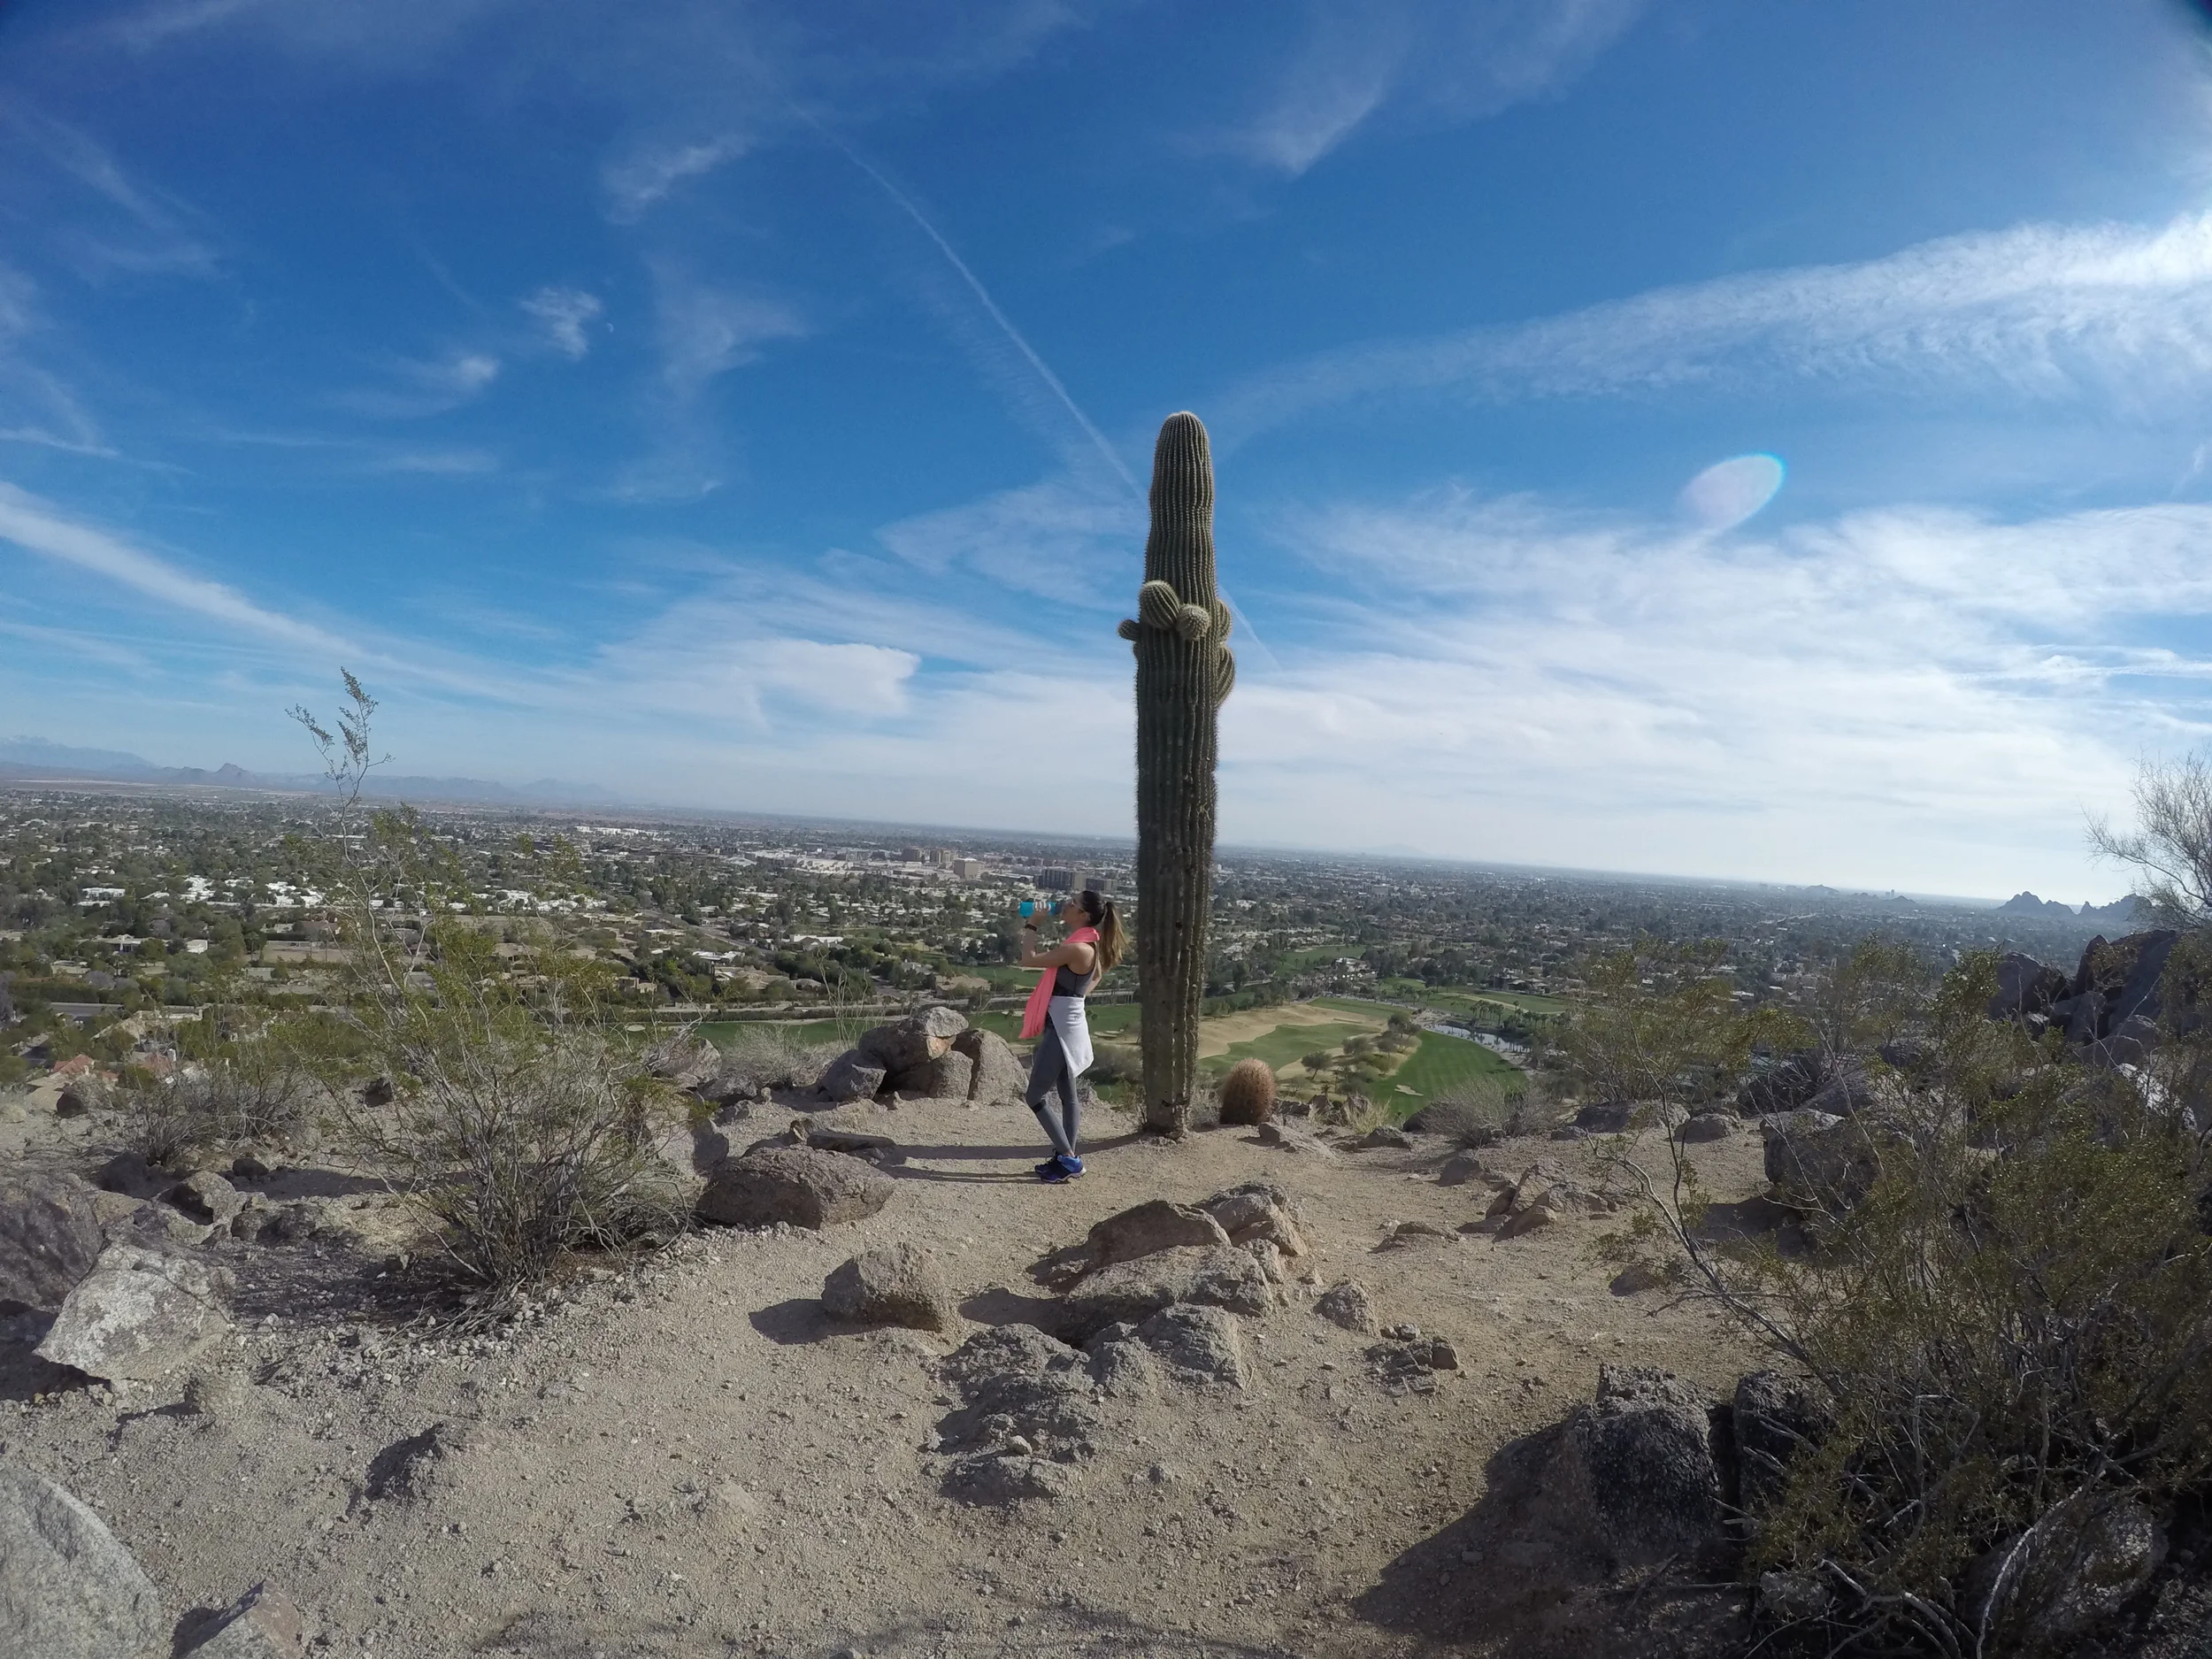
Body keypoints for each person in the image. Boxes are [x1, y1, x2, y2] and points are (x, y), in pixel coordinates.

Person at [1014, 888, 1125, 1182]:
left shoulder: (1078, 949)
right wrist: (1076, 999)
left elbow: (1028, 958)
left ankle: (1070, 1159)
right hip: (1068, 1025)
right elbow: (1097, 975)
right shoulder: (1087, 944)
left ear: (1083, 915)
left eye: (1072, 903)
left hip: (1063, 1031)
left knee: (1035, 1096)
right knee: (1068, 1096)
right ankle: (1064, 1160)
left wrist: (1033, 923)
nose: (1065, 905)